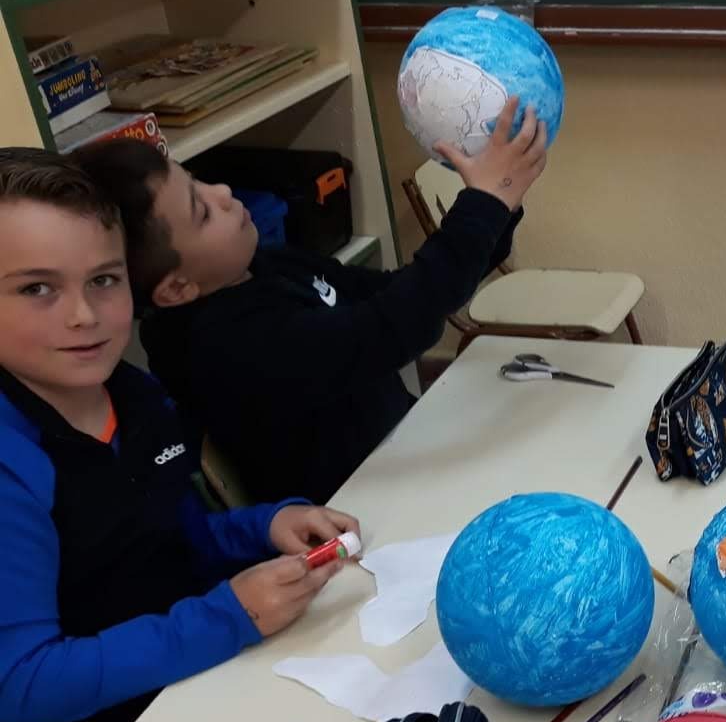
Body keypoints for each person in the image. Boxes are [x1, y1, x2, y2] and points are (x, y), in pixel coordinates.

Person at [0, 147, 357, 722]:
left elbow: (166, 541)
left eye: (103, 280)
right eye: (37, 288)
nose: (83, 314)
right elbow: (25, 683)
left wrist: (260, 526)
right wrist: (227, 616)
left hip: (179, 700)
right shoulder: (12, 463)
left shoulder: (135, 396)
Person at [73, 97, 548, 505]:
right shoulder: (230, 346)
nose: (223, 192)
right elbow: (393, 325)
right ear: (176, 289)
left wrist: (498, 209)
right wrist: (484, 205)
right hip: (359, 509)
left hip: (402, 449)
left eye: (198, 182)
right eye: (201, 211)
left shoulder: (262, 264)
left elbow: (394, 291)